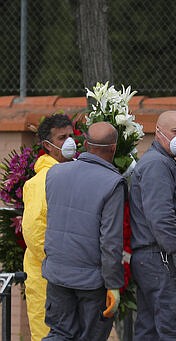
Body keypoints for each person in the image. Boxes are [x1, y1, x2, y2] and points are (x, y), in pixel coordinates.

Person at [42, 122, 126, 340]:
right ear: (114, 148)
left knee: (59, 333)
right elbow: (110, 240)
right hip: (91, 281)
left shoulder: (55, 173)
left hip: (57, 273)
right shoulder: (113, 183)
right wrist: (114, 285)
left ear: (86, 144)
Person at [129, 110, 176, 340]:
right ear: (159, 132)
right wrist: (175, 251)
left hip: (155, 257)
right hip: (162, 257)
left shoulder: (166, 164)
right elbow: (160, 215)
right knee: (175, 328)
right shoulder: (157, 165)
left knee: (150, 329)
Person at [22, 114, 75, 341]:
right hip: (47, 276)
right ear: (47, 145)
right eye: (62, 138)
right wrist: (63, 261)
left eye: (71, 136)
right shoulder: (40, 182)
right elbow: (34, 231)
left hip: (66, 274)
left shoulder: (73, 174)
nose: (69, 142)